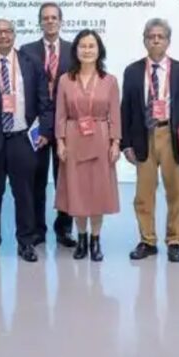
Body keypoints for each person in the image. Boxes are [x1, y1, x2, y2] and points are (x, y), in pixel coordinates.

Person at [0, 18, 53, 264]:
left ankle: (26, 243)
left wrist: (44, 131)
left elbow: (44, 102)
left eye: (7, 31)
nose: (3, 36)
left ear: (14, 35)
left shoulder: (31, 63)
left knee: (25, 195)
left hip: (22, 140)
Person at [121, 18, 179, 263]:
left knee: (175, 191)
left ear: (168, 41)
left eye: (160, 36)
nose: (155, 40)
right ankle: (147, 240)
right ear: (144, 41)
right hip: (143, 136)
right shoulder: (132, 71)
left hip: (171, 135)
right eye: (151, 36)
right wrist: (125, 143)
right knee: (143, 194)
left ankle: (175, 241)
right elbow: (126, 110)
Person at [54, 29, 121, 262]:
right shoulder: (65, 80)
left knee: (97, 192)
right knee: (77, 191)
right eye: (82, 46)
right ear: (75, 50)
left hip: (101, 140)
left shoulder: (109, 81)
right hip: (73, 140)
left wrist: (116, 142)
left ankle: (95, 240)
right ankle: (81, 238)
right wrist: (60, 141)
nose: (87, 50)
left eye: (92, 46)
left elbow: (115, 115)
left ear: (99, 50)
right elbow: (60, 115)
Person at [19, 2, 76, 248]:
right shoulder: (27, 51)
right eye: (45, 18)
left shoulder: (74, 50)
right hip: (37, 125)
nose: (50, 21)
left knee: (66, 179)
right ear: (39, 22)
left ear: (61, 21)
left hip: (67, 124)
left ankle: (64, 229)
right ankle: (36, 229)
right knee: (36, 179)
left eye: (54, 17)